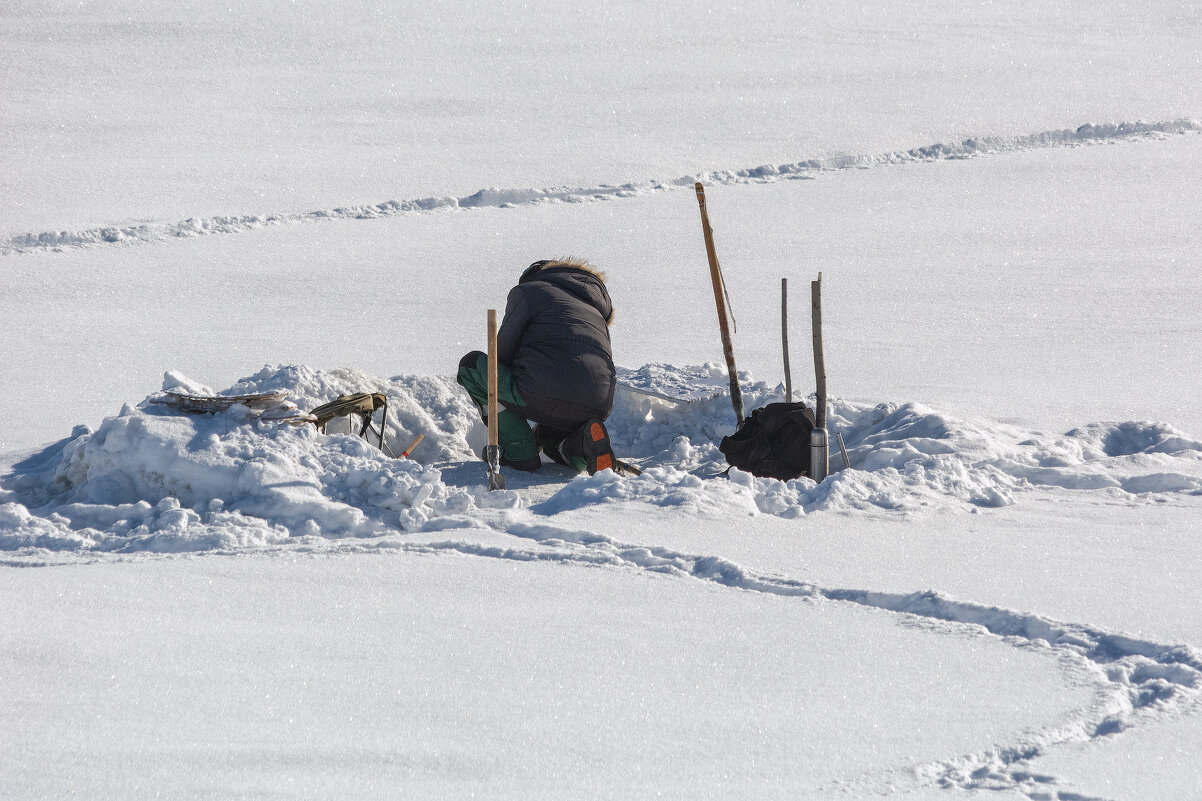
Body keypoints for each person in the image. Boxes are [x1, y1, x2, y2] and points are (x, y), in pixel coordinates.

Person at [457, 258, 617, 474]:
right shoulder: (595, 312)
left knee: (473, 367)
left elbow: (501, 355)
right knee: (549, 436)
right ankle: (584, 449)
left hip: (543, 390)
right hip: (597, 404)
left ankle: (519, 450)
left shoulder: (529, 291)